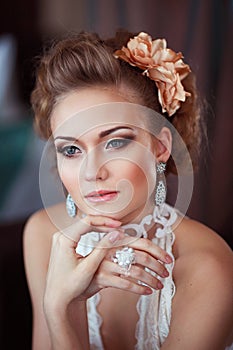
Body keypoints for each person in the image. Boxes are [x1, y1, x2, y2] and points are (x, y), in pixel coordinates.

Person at [23, 31, 233, 350]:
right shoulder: (41, 233)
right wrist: (60, 307)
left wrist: (63, 311)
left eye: (116, 142)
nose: (92, 172)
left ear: (161, 146)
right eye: (71, 150)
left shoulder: (209, 266)